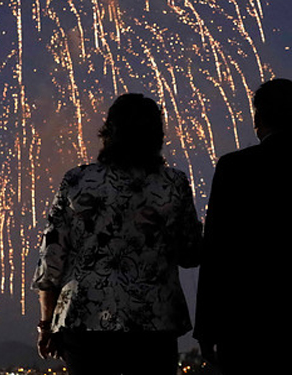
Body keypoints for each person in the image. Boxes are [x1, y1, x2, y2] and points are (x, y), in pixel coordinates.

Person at [32, 93, 202, 375]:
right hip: (154, 322)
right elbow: (191, 253)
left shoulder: (77, 180)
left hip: (83, 320)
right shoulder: (174, 183)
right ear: (156, 135)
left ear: (108, 132)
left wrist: (47, 323)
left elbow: (51, 261)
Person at [194, 78, 292, 375]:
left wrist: (206, 327)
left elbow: (215, 249)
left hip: (245, 324)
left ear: (257, 118)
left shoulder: (234, 167)